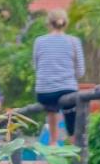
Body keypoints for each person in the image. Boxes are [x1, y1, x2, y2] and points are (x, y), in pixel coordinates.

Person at [33, 9, 85, 146]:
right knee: (70, 110)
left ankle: (53, 140)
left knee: (51, 107)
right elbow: (80, 71)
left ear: (48, 24)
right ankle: (74, 142)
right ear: (66, 23)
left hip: (44, 92)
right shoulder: (74, 41)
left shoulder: (39, 41)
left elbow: (36, 66)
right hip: (66, 89)